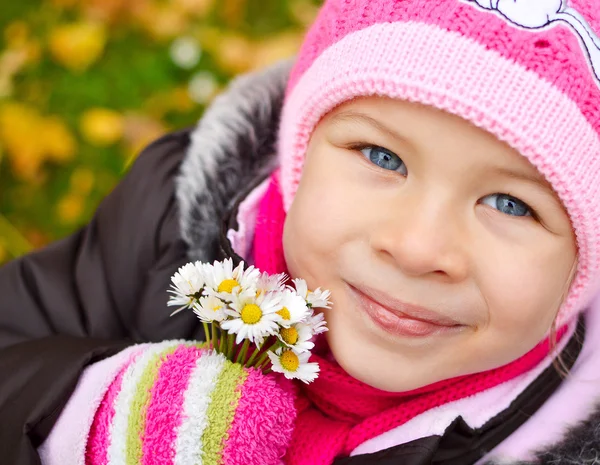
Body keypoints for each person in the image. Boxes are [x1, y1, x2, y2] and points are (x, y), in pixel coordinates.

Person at [1, 0, 600, 463]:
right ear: (299, 152)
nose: (418, 249)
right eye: (382, 157)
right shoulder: (167, 225)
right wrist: (86, 415)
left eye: (510, 204)